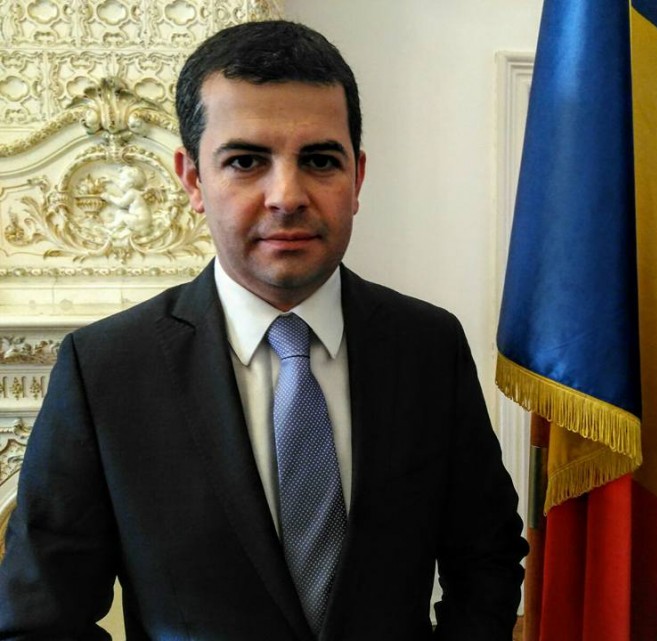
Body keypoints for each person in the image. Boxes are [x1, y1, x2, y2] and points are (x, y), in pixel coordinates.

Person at [0, 20, 527, 641]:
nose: (287, 195)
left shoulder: (428, 347)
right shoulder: (106, 369)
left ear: (357, 178)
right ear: (193, 180)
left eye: (320, 160)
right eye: (246, 161)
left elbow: (487, 557)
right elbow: (41, 619)